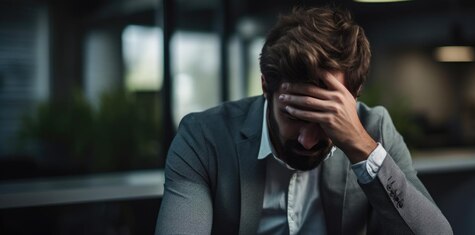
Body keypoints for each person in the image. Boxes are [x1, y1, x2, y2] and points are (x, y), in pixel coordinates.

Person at [155, 6, 452, 235]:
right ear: (265, 88)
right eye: (294, 115)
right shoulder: (203, 139)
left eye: (327, 118)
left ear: (353, 97)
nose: (307, 140)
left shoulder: (374, 131)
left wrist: (362, 148)